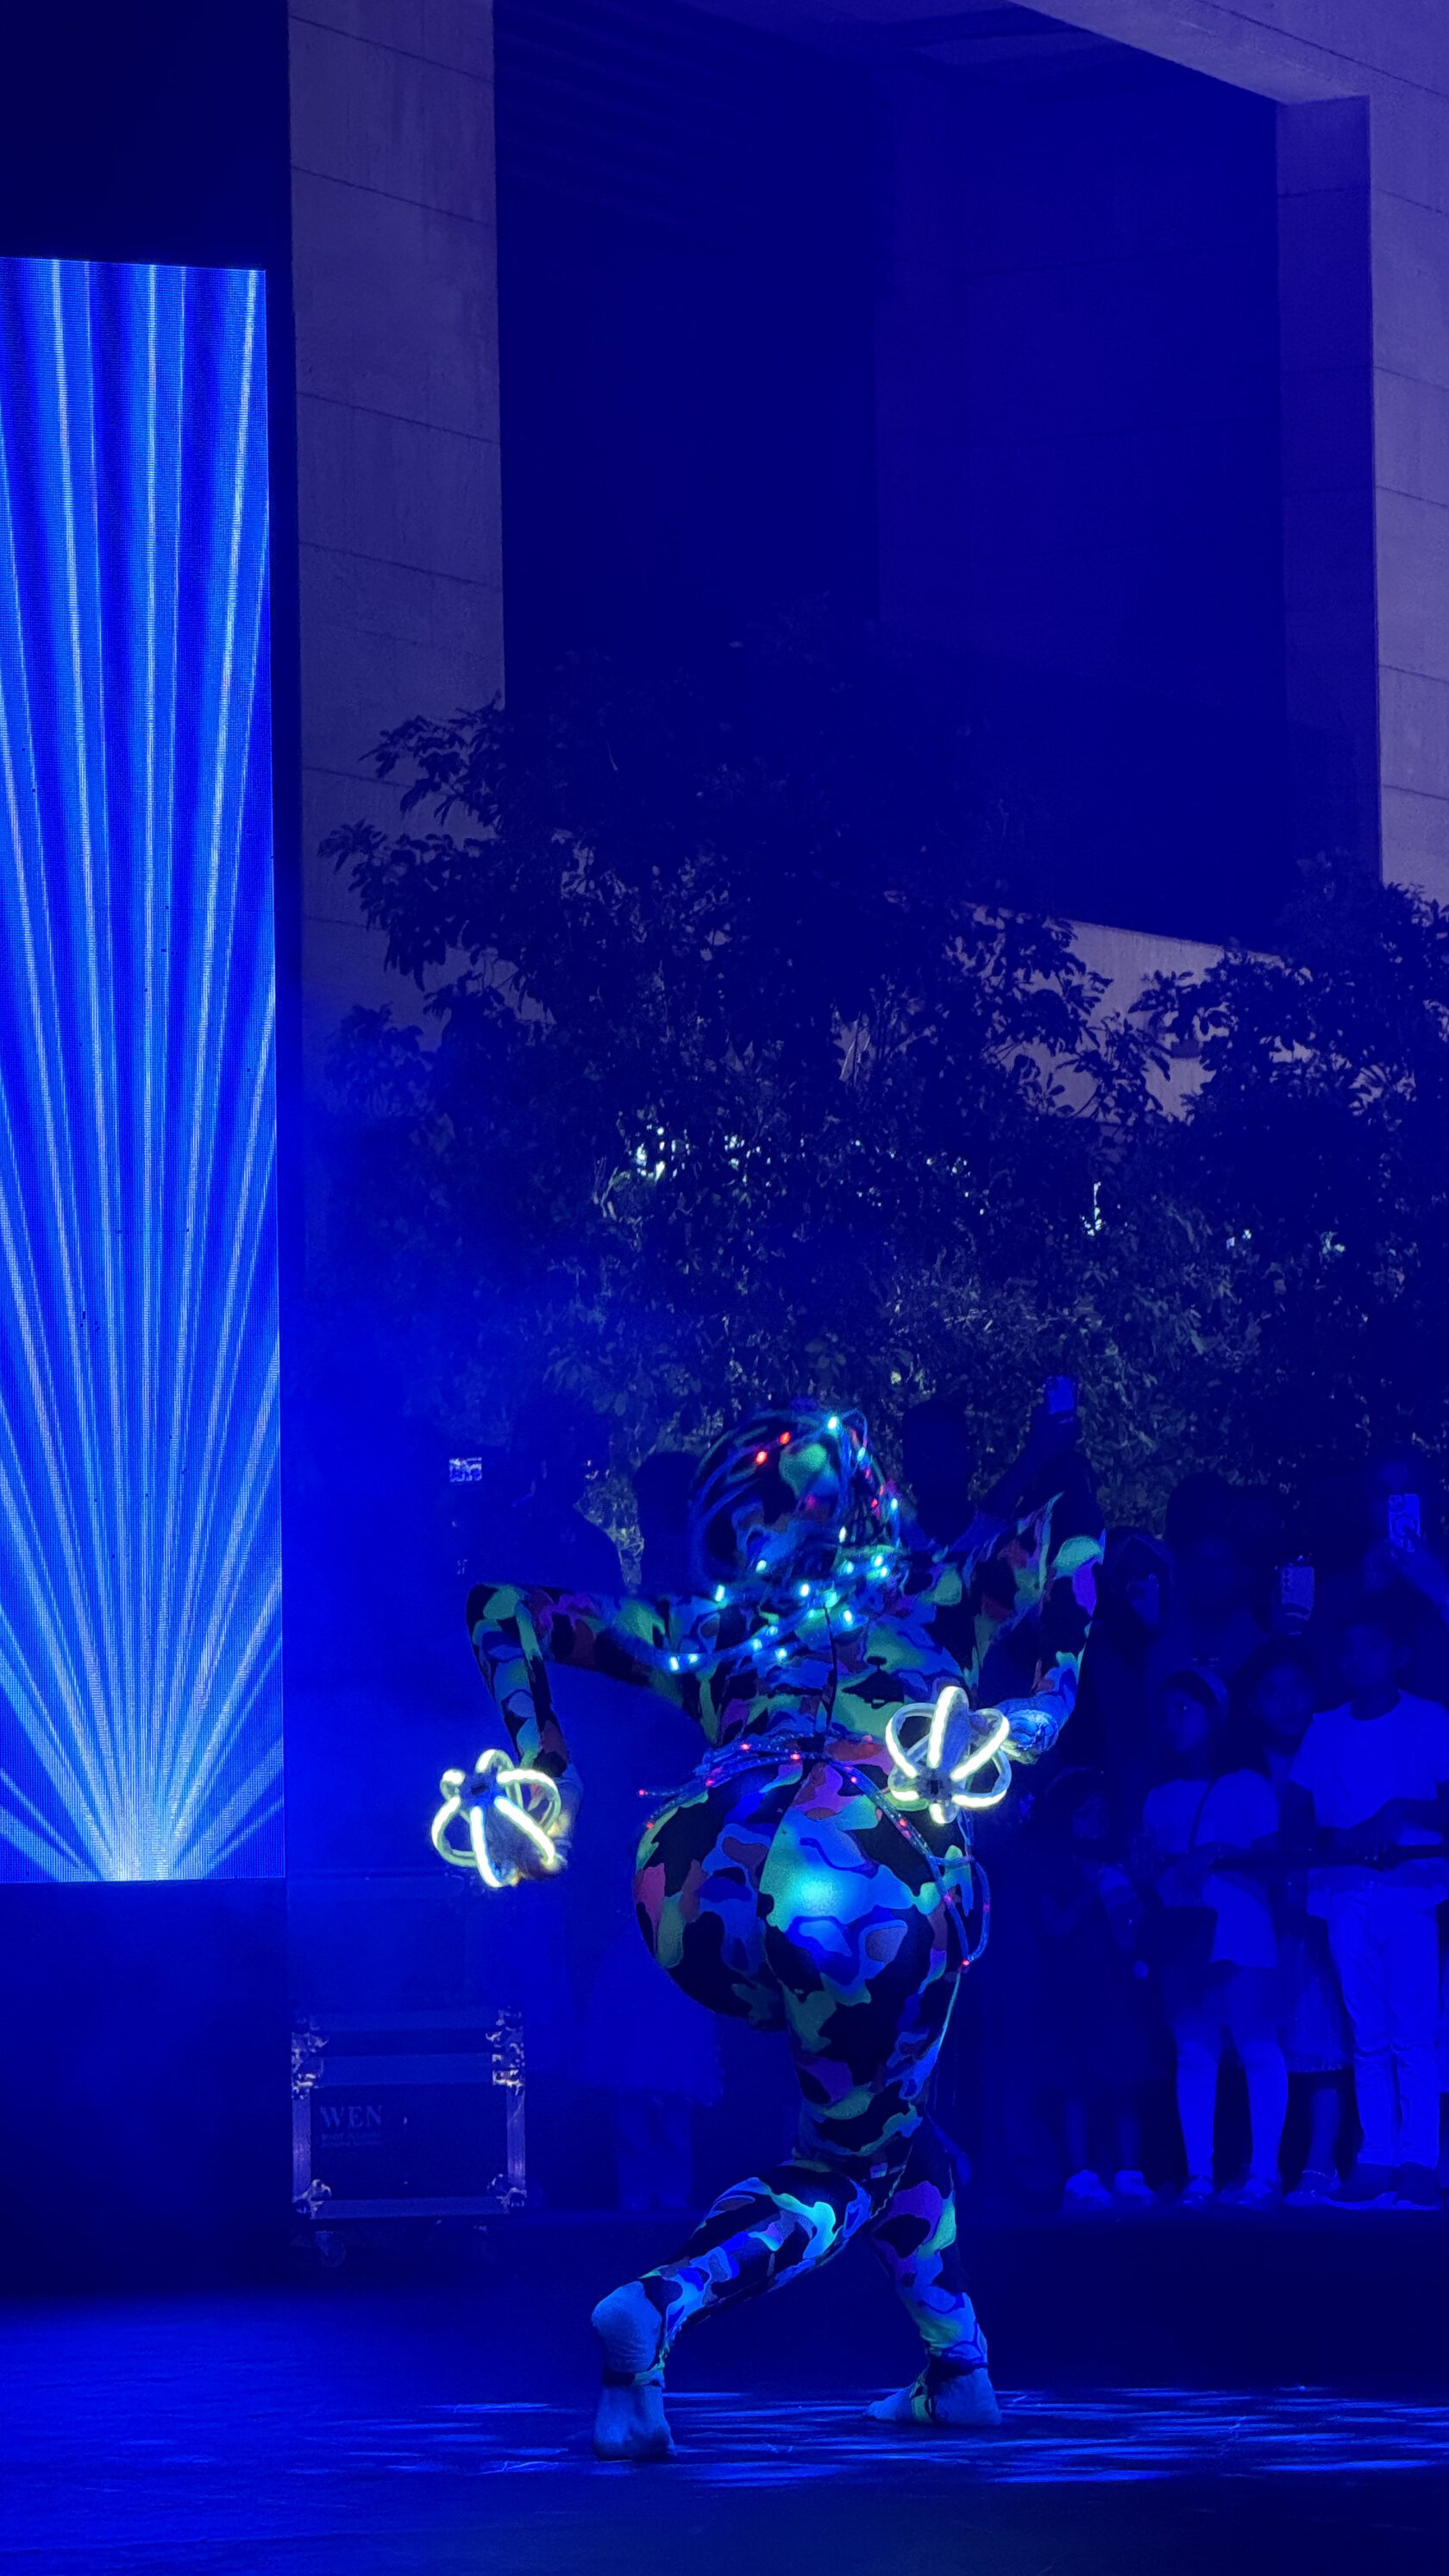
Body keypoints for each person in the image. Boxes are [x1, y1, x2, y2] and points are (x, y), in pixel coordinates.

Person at [461, 1398, 1102, 2455]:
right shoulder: (939, 1588)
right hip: (856, 1857)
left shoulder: (715, 1627)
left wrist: (547, 1768)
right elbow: (1074, 1517)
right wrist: (1042, 1705)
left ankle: (959, 2367)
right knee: (852, 2160)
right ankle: (661, 2303)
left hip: (693, 1864)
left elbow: (500, 1606)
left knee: (883, 2119)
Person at [1282, 1598, 1449, 2208]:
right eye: (1349, 1648)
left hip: (1411, 1892)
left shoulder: (1430, 1720)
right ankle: (1377, 2153)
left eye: (1372, 1645)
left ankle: (1419, 2157)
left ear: (1400, 1655)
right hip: (1345, 1890)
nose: (1357, 1658)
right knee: (1367, 2029)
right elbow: (1297, 1809)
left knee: (1413, 2028)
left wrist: (1398, 1812)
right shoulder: (1326, 1728)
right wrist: (1333, 1843)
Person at [1138, 1666, 1287, 2206]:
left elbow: (1275, 1865)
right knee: (1194, 2050)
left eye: (1185, 1709)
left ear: (1214, 1715)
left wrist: (1220, 1852)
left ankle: (1265, 2172)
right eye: (1166, 1712)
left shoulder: (1247, 1784)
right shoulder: (1157, 1796)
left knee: (1256, 2044)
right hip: (1183, 1933)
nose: (1174, 1722)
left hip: (1242, 1928)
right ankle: (1199, 2174)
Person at [1234, 1640, 1349, 2203]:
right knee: (1262, 2040)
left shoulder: (1335, 1751)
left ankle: (1321, 2163)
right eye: (1272, 1692)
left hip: (1320, 1910)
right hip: (1259, 1916)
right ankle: (1262, 2164)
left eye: (1298, 1689)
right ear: (1253, 1703)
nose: (1287, 1703)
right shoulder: (1243, 1768)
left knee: (1321, 2034)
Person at [1030, 1769, 1152, 2208]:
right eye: (1086, 1813)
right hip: (1071, 1988)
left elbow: (1138, 1926)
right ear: (1068, 1816)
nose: (1096, 1822)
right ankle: (1080, 2176)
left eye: (1103, 1813)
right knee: (1075, 2082)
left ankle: (1130, 2173)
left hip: (1117, 1985)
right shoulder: (1053, 1866)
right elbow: (1055, 1926)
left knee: (1126, 2081)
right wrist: (1094, 1887)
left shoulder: (1120, 1861)